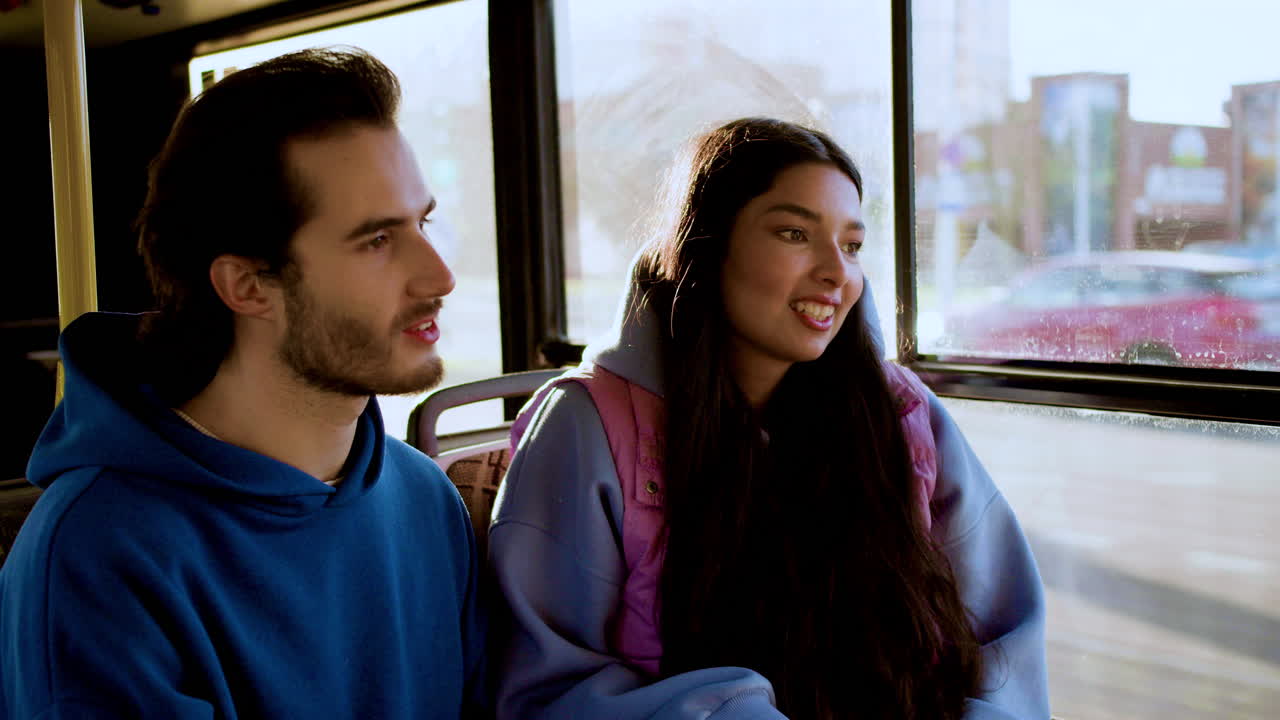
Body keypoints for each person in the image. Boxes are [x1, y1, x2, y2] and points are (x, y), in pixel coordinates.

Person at [490, 117, 1049, 720]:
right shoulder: (586, 425)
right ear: (708, 246)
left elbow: (1004, 644)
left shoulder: (902, 413)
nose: (837, 273)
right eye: (793, 233)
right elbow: (546, 690)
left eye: (853, 245)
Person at [0, 48, 485, 718]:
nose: (439, 276)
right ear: (248, 285)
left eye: (422, 223)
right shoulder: (98, 551)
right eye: (376, 240)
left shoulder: (422, 495)